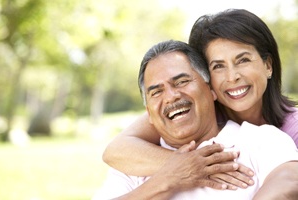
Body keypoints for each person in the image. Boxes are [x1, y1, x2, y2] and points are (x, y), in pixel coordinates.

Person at [102, 9, 298, 188]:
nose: (232, 76)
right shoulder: (194, 112)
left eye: (243, 60)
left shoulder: (289, 131)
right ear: (206, 77)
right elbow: (116, 150)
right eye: (218, 66)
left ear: (268, 66)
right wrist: (195, 166)